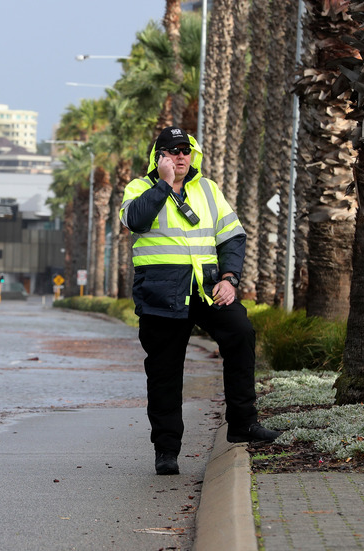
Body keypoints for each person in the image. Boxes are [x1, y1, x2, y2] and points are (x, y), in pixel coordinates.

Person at [120, 126, 280, 475]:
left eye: (185, 151)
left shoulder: (207, 189)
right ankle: (166, 450)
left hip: (206, 288)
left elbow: (232, 236)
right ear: (159, 156)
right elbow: (136, 220)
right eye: (172, 151)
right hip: (161, 292)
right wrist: (162, 184)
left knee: (240, 333)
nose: (180, 156)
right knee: (164, 372)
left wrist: (229, 278)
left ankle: (242, 422)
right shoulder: (139, 188)